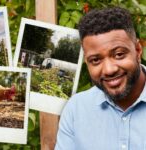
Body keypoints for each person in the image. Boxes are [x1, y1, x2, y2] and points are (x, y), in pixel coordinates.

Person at [55, 7, 146, 150]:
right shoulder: (76, 110)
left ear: (138, 51)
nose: (109, 70)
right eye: (96, 60)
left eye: (119, 54)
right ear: (87, 62)